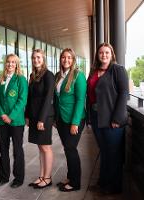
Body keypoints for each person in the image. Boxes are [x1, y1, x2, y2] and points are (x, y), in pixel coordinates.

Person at [87, 42, 128, 194]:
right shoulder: (94, 71)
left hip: (112, 119)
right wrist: (89, 117)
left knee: (113, 154)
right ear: (97, 55)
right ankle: (103, 183)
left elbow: (124, 93)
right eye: (101, 53)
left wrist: (117, 119)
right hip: (96, 116)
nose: (103, 55)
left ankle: (114, 187)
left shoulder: (118, 70)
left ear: (112, 55)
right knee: (104, 151)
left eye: (107, 52)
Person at [54, 48, 86, 192]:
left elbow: (80, 100)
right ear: (60, 59)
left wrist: (75, 122)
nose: (66, 60)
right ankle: (70, 176)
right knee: (67, 149)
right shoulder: (58, 76)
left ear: (73, 60)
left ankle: (75, 182)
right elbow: (56, 98)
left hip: (74, 119)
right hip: (61, 119)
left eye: (69, 58)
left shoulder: (78, 76)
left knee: (71, 149)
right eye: (63, 57)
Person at [0, 54, 28, 188]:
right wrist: (2, 114)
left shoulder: (21, 79)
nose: (10, 64)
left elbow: (22, 100)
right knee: (3, 149)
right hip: (3, 121)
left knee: (17, 150)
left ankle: (18, 178)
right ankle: (3, 176)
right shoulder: (1, 79)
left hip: (16, 121)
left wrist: (11, 116)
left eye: (13, 62)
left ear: (17, 64)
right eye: (8, 62)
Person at [25, 49, 55, 189]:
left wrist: (41, 119)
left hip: (44, 117)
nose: (36, 60)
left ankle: (47, 178)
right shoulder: (33, 75)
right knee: (40, 147)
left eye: (38, 57)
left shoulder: (49, 75)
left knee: (45, 147)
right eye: (33, 57)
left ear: (43, 59)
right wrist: (27, 116)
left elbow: (48, 98)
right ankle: (41, 176)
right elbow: (30, 98)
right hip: (34, 116)